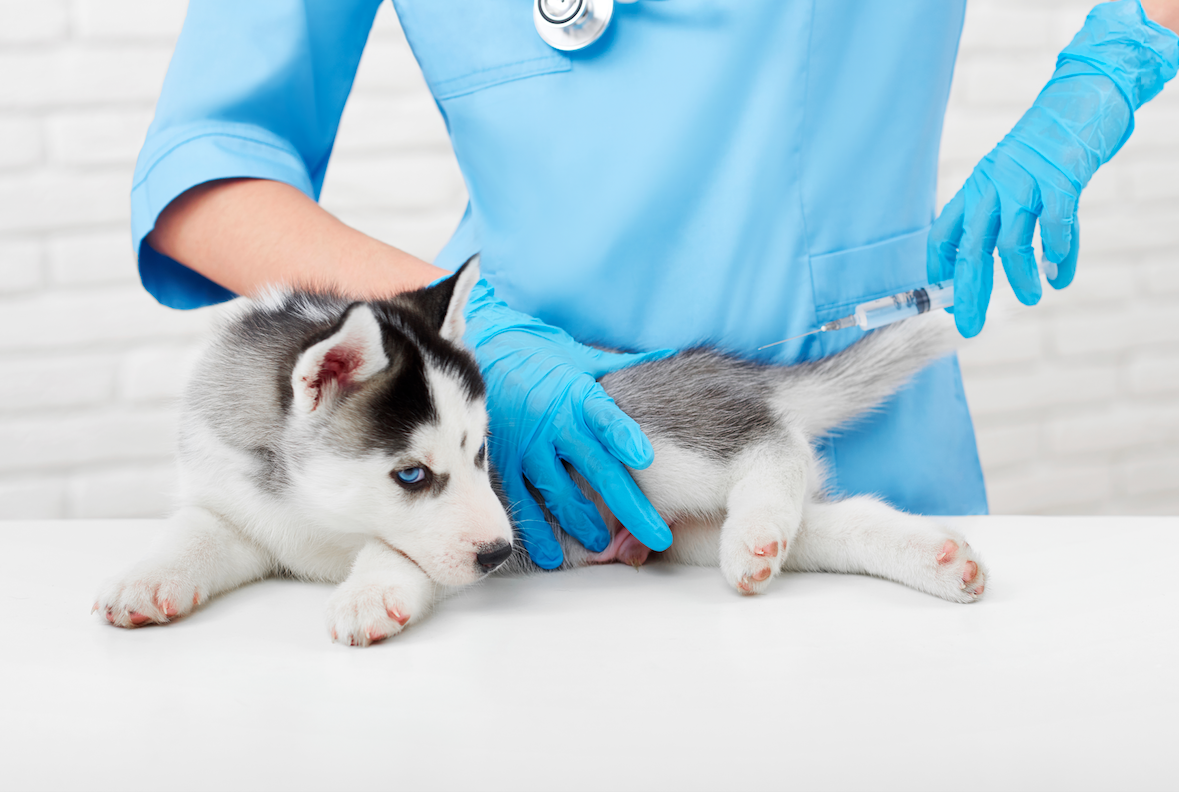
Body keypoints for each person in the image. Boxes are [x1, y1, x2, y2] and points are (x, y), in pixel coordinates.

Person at [132, 0, 1178, 568]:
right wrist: (471, 341)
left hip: (852, 449)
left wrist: (1113, 62)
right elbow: (206, 171)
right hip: (532, 482)